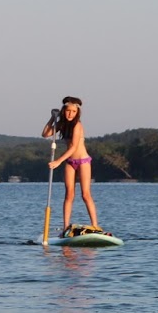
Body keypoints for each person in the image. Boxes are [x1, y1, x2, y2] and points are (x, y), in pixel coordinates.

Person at [43, 96, 100, 235]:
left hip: (83, 161)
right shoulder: (62, 124)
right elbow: (45, 134)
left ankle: (96, 225)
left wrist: (58, 161)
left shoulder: (77, 125)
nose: (70, 114)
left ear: (77, 113)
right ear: (64, 111)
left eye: (73, 112)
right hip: (70, 162)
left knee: (85, 194)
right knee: (69, 195)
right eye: (68, 111)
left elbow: (74, 147)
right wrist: (53, 118)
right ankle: (66, 227)